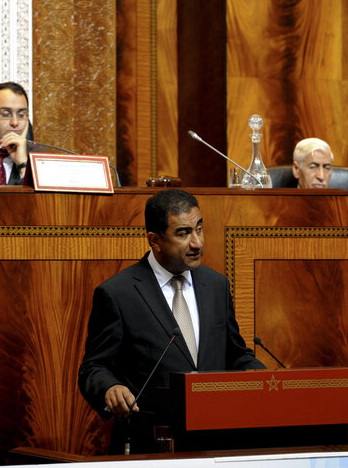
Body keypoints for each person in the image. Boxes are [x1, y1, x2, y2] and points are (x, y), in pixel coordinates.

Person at [78, 189, 264, 452]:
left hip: (217, 440)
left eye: (199, 229)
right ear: (155, 240)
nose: (197, 242)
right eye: (183, 233)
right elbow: (93, 368)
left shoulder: (216, 285)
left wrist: (264, 379)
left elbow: (234, 352)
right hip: (152, 444)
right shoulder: (118, 294)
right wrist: (111, 387)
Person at [292, 138, 348, 224]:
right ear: (296, 170)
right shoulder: (279, 207)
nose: (321, 176)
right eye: (313, 167)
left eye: (327, 167)